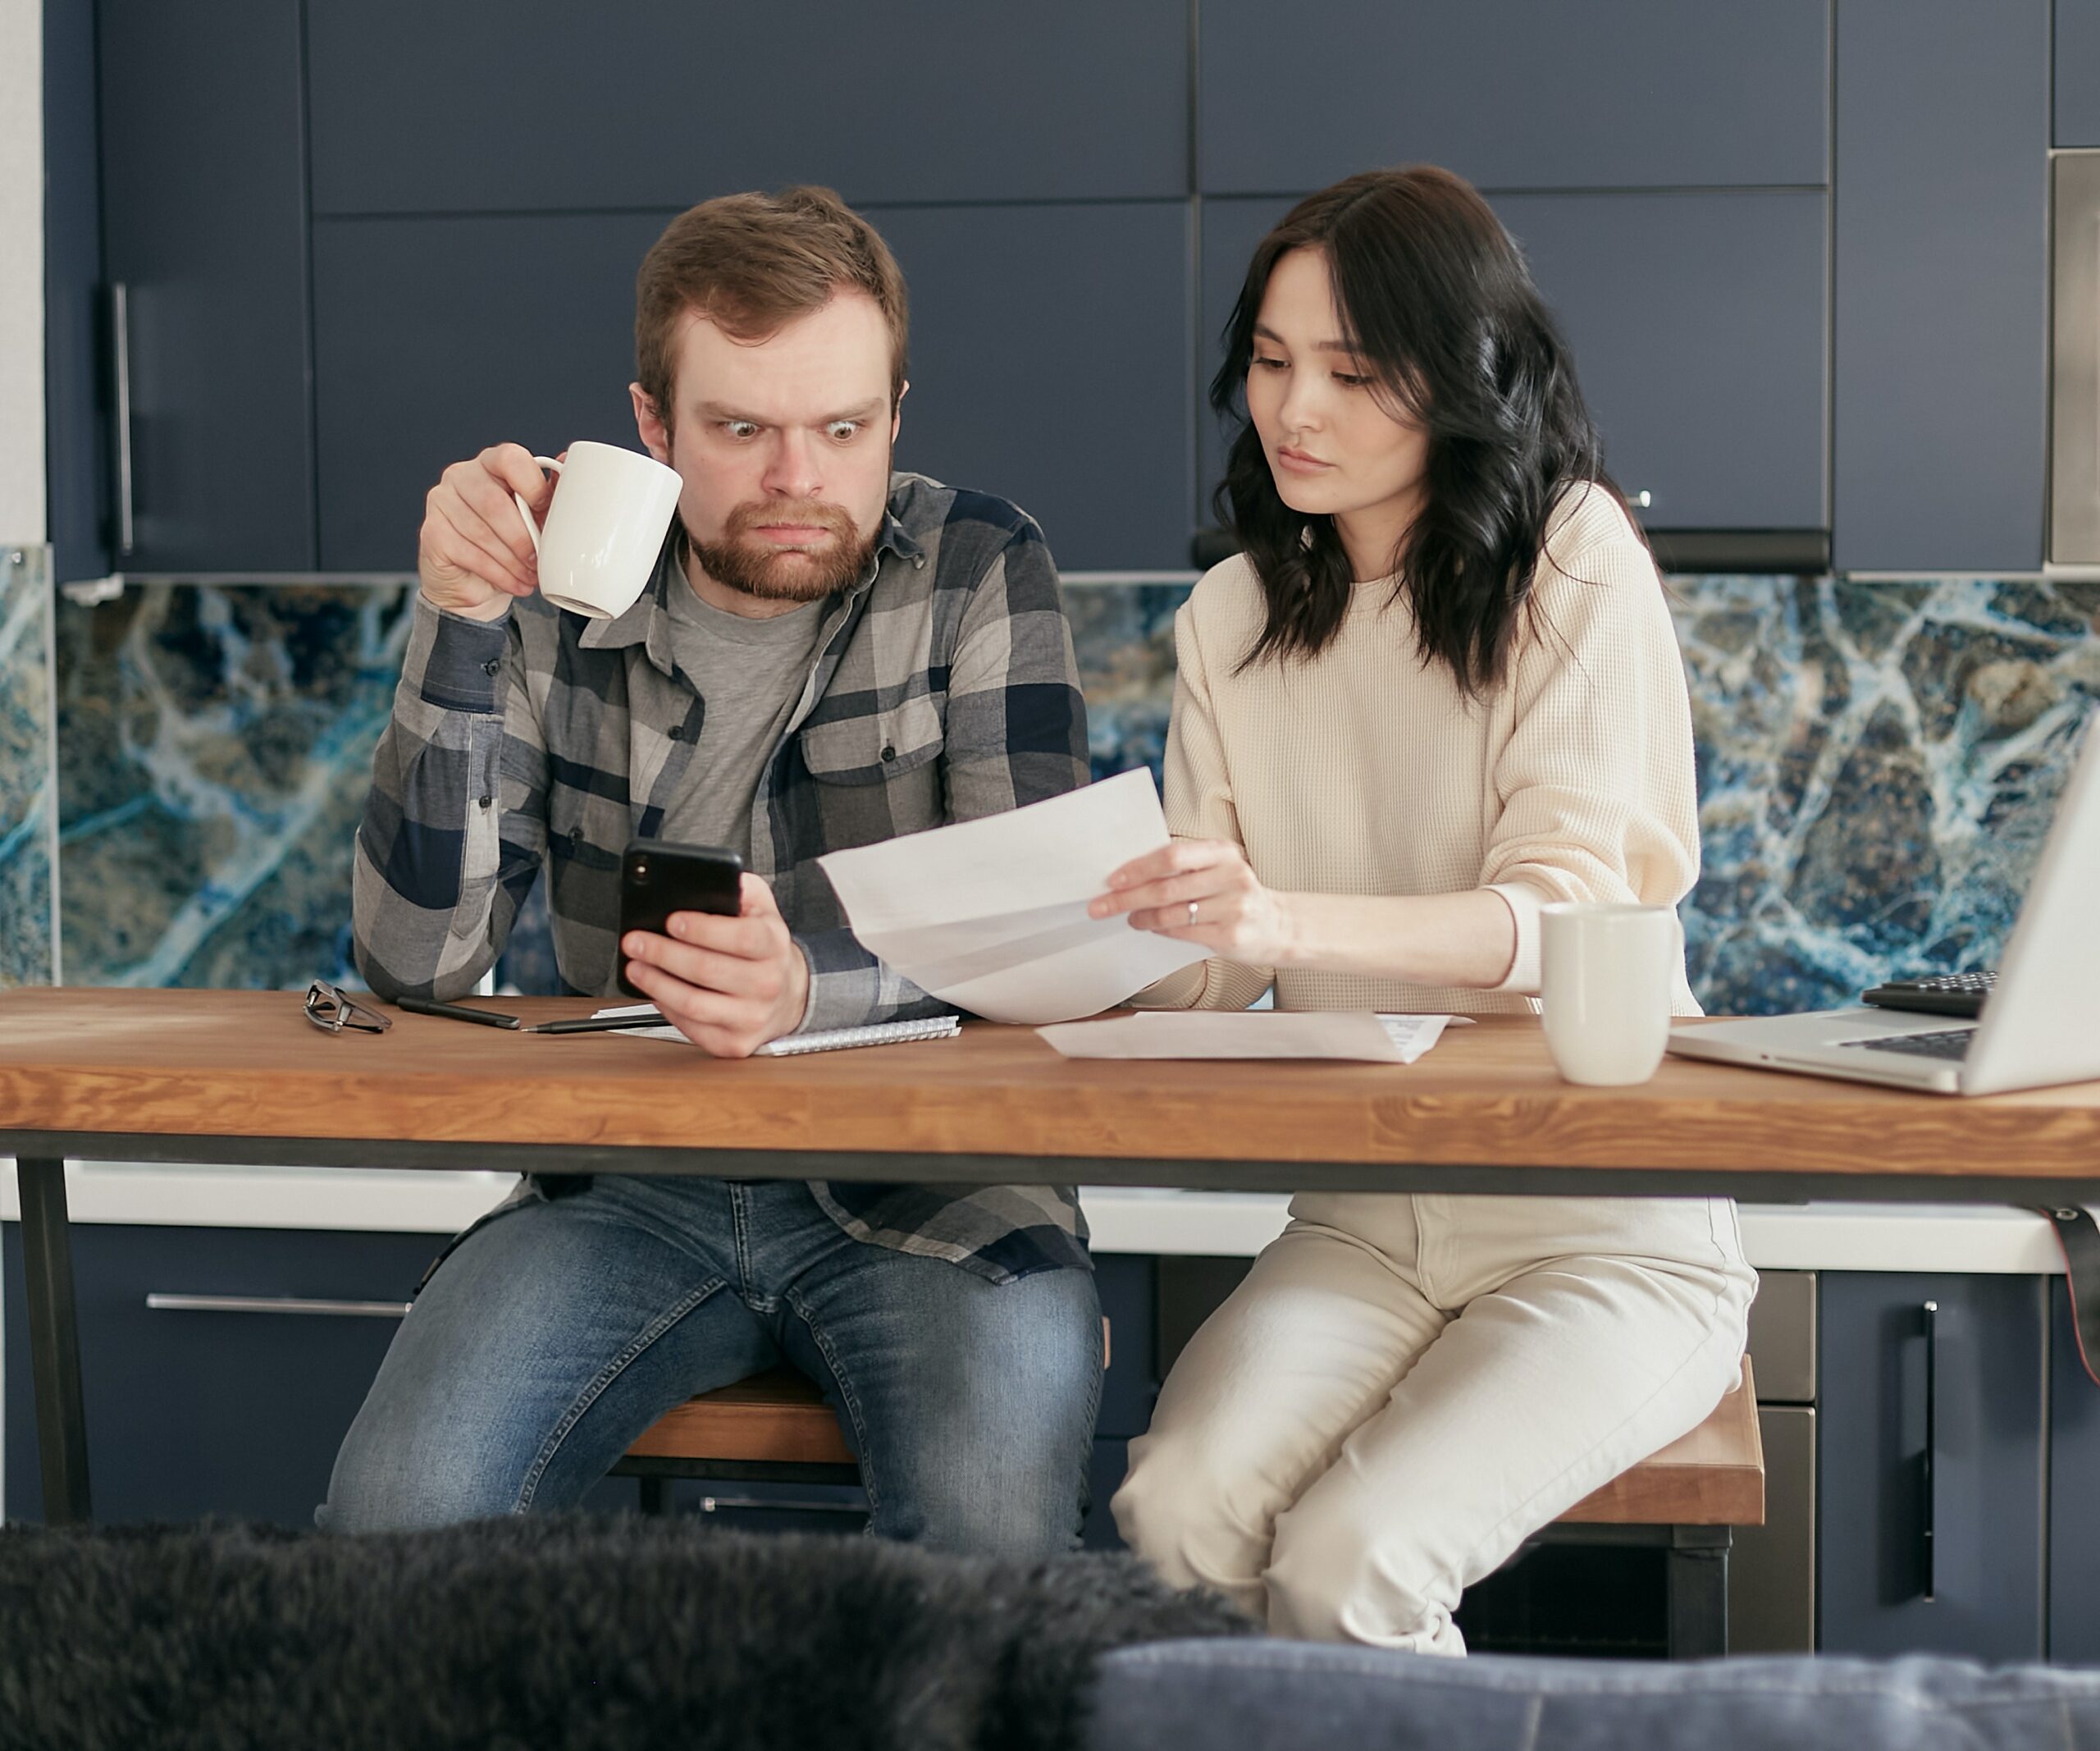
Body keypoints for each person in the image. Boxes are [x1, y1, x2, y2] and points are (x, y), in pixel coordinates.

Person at [323, 186, 1102, 1550]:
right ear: (653, 427)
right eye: (743, 429)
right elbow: (413, 958)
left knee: (991, 1551)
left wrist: (816, 988)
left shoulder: (980, 566)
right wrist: (455, 623)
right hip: (625, 1180)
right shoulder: (557, 597)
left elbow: (1041, 932)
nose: (799, 477)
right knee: (396, 1525)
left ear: (898, 412)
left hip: (943, 1183)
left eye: (843, 428)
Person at [1096, 167, 1756, 1651]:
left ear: (1463, 377)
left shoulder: (1574, 558)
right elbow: (1201, 977)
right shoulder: (1229, 618)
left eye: (1351, 370)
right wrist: (1091, 932)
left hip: (1604, 1227)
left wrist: (1279, 927)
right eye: (1270, 362)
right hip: (1364, 1214)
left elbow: (1564, 910)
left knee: (1354, 1564)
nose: (1293, 410)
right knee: (1175, 1516)